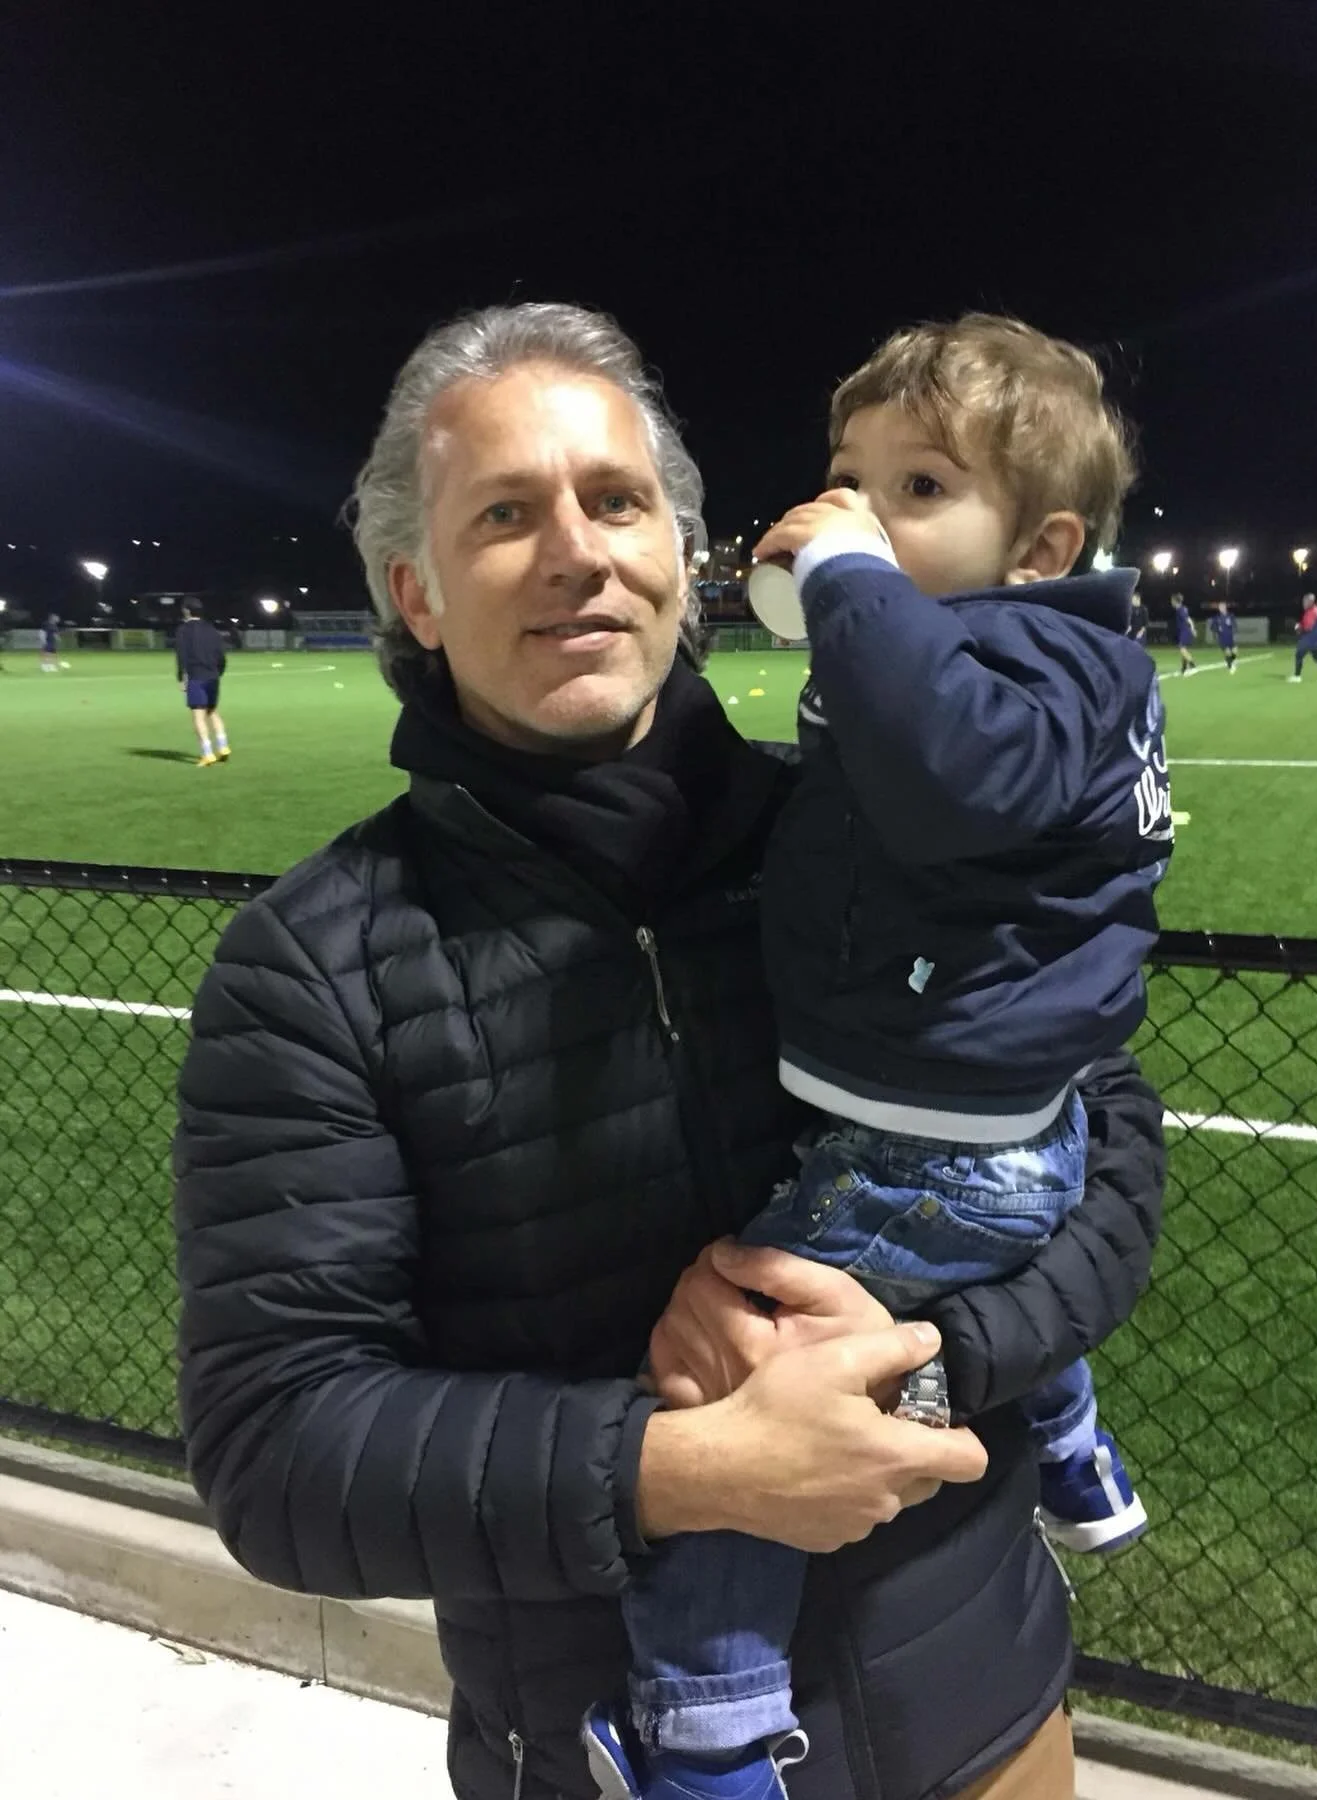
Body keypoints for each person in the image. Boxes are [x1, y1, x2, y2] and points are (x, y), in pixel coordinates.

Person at [172, 304, 1167, 1800]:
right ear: (416, 592)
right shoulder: (312, 966)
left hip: (988, 1705)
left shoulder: (862, 831)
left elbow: (1111, 1159)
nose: (576, 551)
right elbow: (279, 1457)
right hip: (604, 1753)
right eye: (505, 514)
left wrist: (917, 1367)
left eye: (616, 501)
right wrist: (685, 1466)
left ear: (688, 562)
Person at [590, 315, 1170, 1800]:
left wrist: (847, 573)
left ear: (1040, 545)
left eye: (918, 489)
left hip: (941, 1134)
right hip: (977, 1120)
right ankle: (1075, 1443)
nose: (857, 510)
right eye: (848, 478)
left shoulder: (1035, 651)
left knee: (743, 1396)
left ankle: (710, 1727)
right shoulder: (992, 647)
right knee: (963, 1260)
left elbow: (954, 774)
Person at [175, 602, 232, 764]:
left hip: (196, 677)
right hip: (213, 677)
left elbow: (181, 656)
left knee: (198, 715)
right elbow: (221, 656)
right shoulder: (212, 629)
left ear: (187, 611)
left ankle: (207, 753)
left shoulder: (183, 630)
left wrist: (181, 677)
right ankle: (223, 746)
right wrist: (218, 673)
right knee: (212, 711)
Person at [1171, 591, 1196, 675]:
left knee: (1182, 649)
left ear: (1175, 601)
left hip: (1185, 631)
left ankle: (1193, 666)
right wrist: (1192, 629)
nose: (1171, 602)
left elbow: (1188, 619)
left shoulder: (1180, 610)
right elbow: (1188, 618)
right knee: (1183, 650)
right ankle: (1184, 669)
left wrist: (1192, 629)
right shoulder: (1182, 608)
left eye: (1172, 600)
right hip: (1184, 631)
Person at [1213, 599, 1238, 672]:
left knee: (1235, 651)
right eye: (1220, 607)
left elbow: (1234, 624)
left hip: (1230, 637)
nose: (1221, 608)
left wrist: (1234, 630)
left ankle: (1230, 661)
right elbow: (1213, 627)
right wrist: (1218, 629)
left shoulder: (1230, 615)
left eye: (1222, 607)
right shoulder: (1217, 617)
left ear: (1225, 607)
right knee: (1227, 652)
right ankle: (1230, 667)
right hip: (1222, 638)